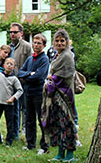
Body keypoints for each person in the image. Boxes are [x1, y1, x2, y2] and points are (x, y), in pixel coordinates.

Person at [41, 29, 77, 162]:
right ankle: (60, 152)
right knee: (57, 123)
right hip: (55, 95)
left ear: (67, 42)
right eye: (57, 40)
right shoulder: (58, 55)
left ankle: (70, 154)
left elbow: (67, 73)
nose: (59, 43)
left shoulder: (67, 55)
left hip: (64, 94)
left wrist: (52, 78)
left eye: (62, 40)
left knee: (67, 123)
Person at [17, 34, 49, 155]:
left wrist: (28, 76)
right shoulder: (30, 59)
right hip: (28, 92)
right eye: (34, 43)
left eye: (39, 43)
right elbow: (20, 72)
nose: (36, 45)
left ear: (44, 45)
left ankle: (44, 146)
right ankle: (30, 144)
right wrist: (29, 74)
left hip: (38, 93)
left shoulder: (44, 59)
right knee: (29, 119)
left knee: (42, 119)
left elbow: (39, 77)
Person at [0, 58, 23, 146]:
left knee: (10, 124)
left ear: (14, 67)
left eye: (11, 64)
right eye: (7, 63)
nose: (9, 65)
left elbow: (20, 90)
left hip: (9, 104)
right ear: (4, 65)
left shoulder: (14, 79)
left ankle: (9, 141)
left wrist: (13, 98)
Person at [9, 22, 33, 139]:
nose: (12, 34)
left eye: (15, 32)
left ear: (21, 33)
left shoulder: (27, 46)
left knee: (25, 107)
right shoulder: (9, 47)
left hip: (23, 82)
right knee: (14, 108)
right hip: (11, 82)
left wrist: (26, 77)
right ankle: (15, 130)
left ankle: (24, 129)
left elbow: (31, 63)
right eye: (11, 32)